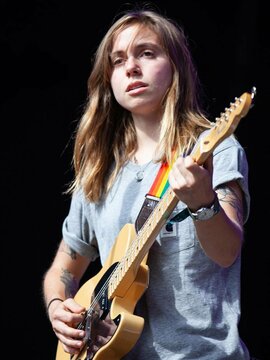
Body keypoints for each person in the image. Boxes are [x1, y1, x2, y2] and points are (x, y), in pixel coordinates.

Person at [42, 6, 251, 360]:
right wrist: (57, 308)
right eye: (118, 60)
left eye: (147, 53)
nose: (131, 67)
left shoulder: (214, 151)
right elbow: (65, 263)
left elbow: (227, 251)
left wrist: (203, 203)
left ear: (176, 68)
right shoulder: (99, 169)